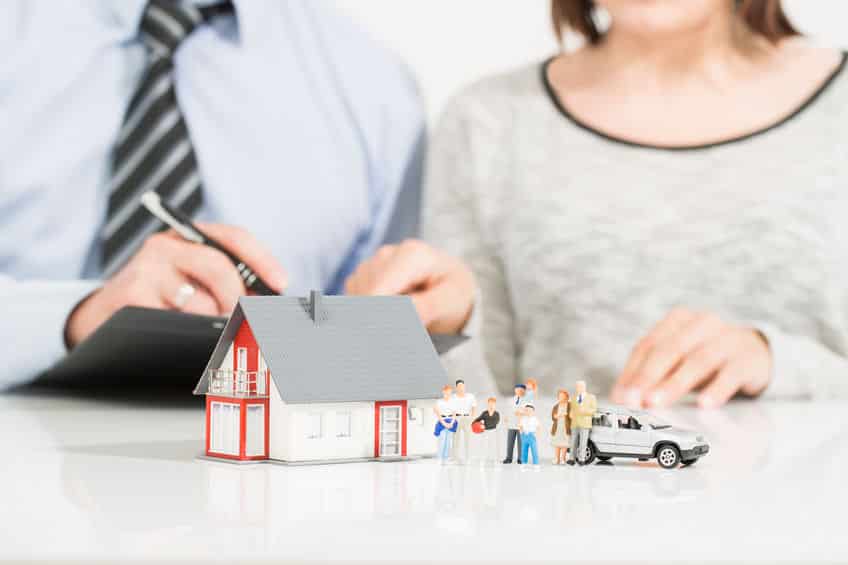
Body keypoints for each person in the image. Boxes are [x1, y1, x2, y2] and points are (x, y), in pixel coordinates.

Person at [345, 0, 848, 408]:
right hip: (568, 524)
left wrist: (776, 364)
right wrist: (441, 333)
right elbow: (469, 420)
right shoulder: (487, 124)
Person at [0, 0, 424, 388]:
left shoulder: (378, 91)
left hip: (251, 458)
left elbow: (358, 363)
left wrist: (418, 324)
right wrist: (77, 317)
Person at [567, 381, 597, 466]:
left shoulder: (591, 397)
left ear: (584, 387)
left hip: (585, 423)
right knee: (573, 442)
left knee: (583, 442)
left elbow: (594, 409)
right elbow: (572, 408)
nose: (578, 388)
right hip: (575, 422)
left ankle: (581, 459)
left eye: (580, 386)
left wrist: (584, 411)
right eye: (577, 386)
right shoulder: (573, 398)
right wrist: (571, 414)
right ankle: (571, 459)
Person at [450, 379, 477, 462]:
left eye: (462, 385)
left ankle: (468, 457)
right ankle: (455, 457)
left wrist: (472, 418)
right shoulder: (453, 397)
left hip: (467, 418)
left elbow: (474, 407)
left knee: (468, 439)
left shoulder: (470, 396)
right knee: (455, 439)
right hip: (456, 418)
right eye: (459, 386)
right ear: (456, 387)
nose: (461, 387)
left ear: (464, 386)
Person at [502, 383, 527, 464]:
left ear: (524, 391)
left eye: (521, 390)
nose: (519, 391)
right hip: (512, 423)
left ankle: (521, 458)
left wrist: (521, 413)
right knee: (510, 441)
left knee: (521, 442)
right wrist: (506, 417)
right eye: (517, 389)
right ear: (515, 390)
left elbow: (529, 411)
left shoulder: (527, 401)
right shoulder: (510, 400)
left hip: (521, 424)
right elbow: (507, 410)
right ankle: (509, 457)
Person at [472, 397, 501, 464]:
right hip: (485, 432)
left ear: (495, 404)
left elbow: (496, 422)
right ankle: (483, 459)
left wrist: (485, 426)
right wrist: (474, 423)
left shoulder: (497, 414)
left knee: (494, 446)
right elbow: (478, 419)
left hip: (493, 431)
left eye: (493, 404)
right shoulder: (484, 413)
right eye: (490, 404)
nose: (491, 405)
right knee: (484, 446)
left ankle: (496, 460)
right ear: (488, 404)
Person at [433, 385, 457, 462]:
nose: (448, 394)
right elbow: (437, 413)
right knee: (442, 440)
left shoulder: (453, 402)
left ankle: (446, 457)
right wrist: (444, 423)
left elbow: (454, 413)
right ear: (443, 392)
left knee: (448, 440)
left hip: (451, 421)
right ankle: (440, 457)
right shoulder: (439, 402)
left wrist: (452, 423)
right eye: (446, 392)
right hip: (442, 421)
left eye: (449, 393)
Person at [550, 389, 571, 465]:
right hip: (557, 427)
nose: (561, 397)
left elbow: (572, 416)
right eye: (559, 396)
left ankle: (563, 458)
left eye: (562, 396)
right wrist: (556, 416)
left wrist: (566, 415)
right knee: (557, 444)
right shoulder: (556, 406)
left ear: (566, 397)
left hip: (565, 427)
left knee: (564, 444)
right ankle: (557, 458)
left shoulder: (569, 405)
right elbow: (553, 417)